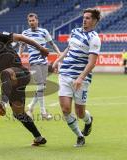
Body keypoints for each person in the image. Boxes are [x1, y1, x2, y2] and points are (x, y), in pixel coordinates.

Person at [0, 25, 49, 146]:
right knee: (18, 113)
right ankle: (38, 137)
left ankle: (2, 103)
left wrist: (40, 48)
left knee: (5, 73)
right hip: (11, 84)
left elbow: (20, 37)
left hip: (21, 73)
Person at [52, 8, 101, 147]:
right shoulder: (75, 32)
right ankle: (80, 136)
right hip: (65, 74)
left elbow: (92, 63)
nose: (84, 20)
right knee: (66, 109)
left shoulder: (94, 38)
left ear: (95, 21)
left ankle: (88, 120)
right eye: (84, 17)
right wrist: (58, 60)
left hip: (81, 79)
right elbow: (69, 49)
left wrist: (80, 78)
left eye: (88, 18)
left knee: (80, 113)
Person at [19, 13, 61, 120]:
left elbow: (52, 43)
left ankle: (30, 106)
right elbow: (22, 46)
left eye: (33, 20)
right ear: (28, 22)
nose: (31, 22)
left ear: (37, 20)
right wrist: (19, 56)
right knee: (41, 86)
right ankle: (43, 112)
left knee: (42, 87)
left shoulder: (44, 32)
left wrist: (58, 52)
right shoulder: (25, 33)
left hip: (44, 62)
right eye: (30, 21)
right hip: (34, 62)